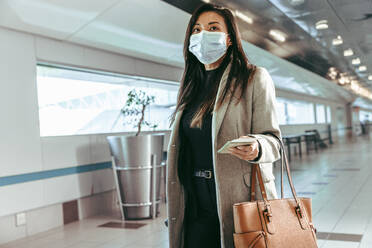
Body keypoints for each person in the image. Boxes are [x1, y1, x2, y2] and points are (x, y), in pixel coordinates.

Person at [165, 3, 282, 248]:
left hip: (238, 201)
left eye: (213, 27)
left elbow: (274, 141)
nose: (202, 35)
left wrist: (257, 146)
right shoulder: (190, 86)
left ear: (229, 39)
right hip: (194, 200)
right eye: (196, 30)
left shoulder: (253, 78)